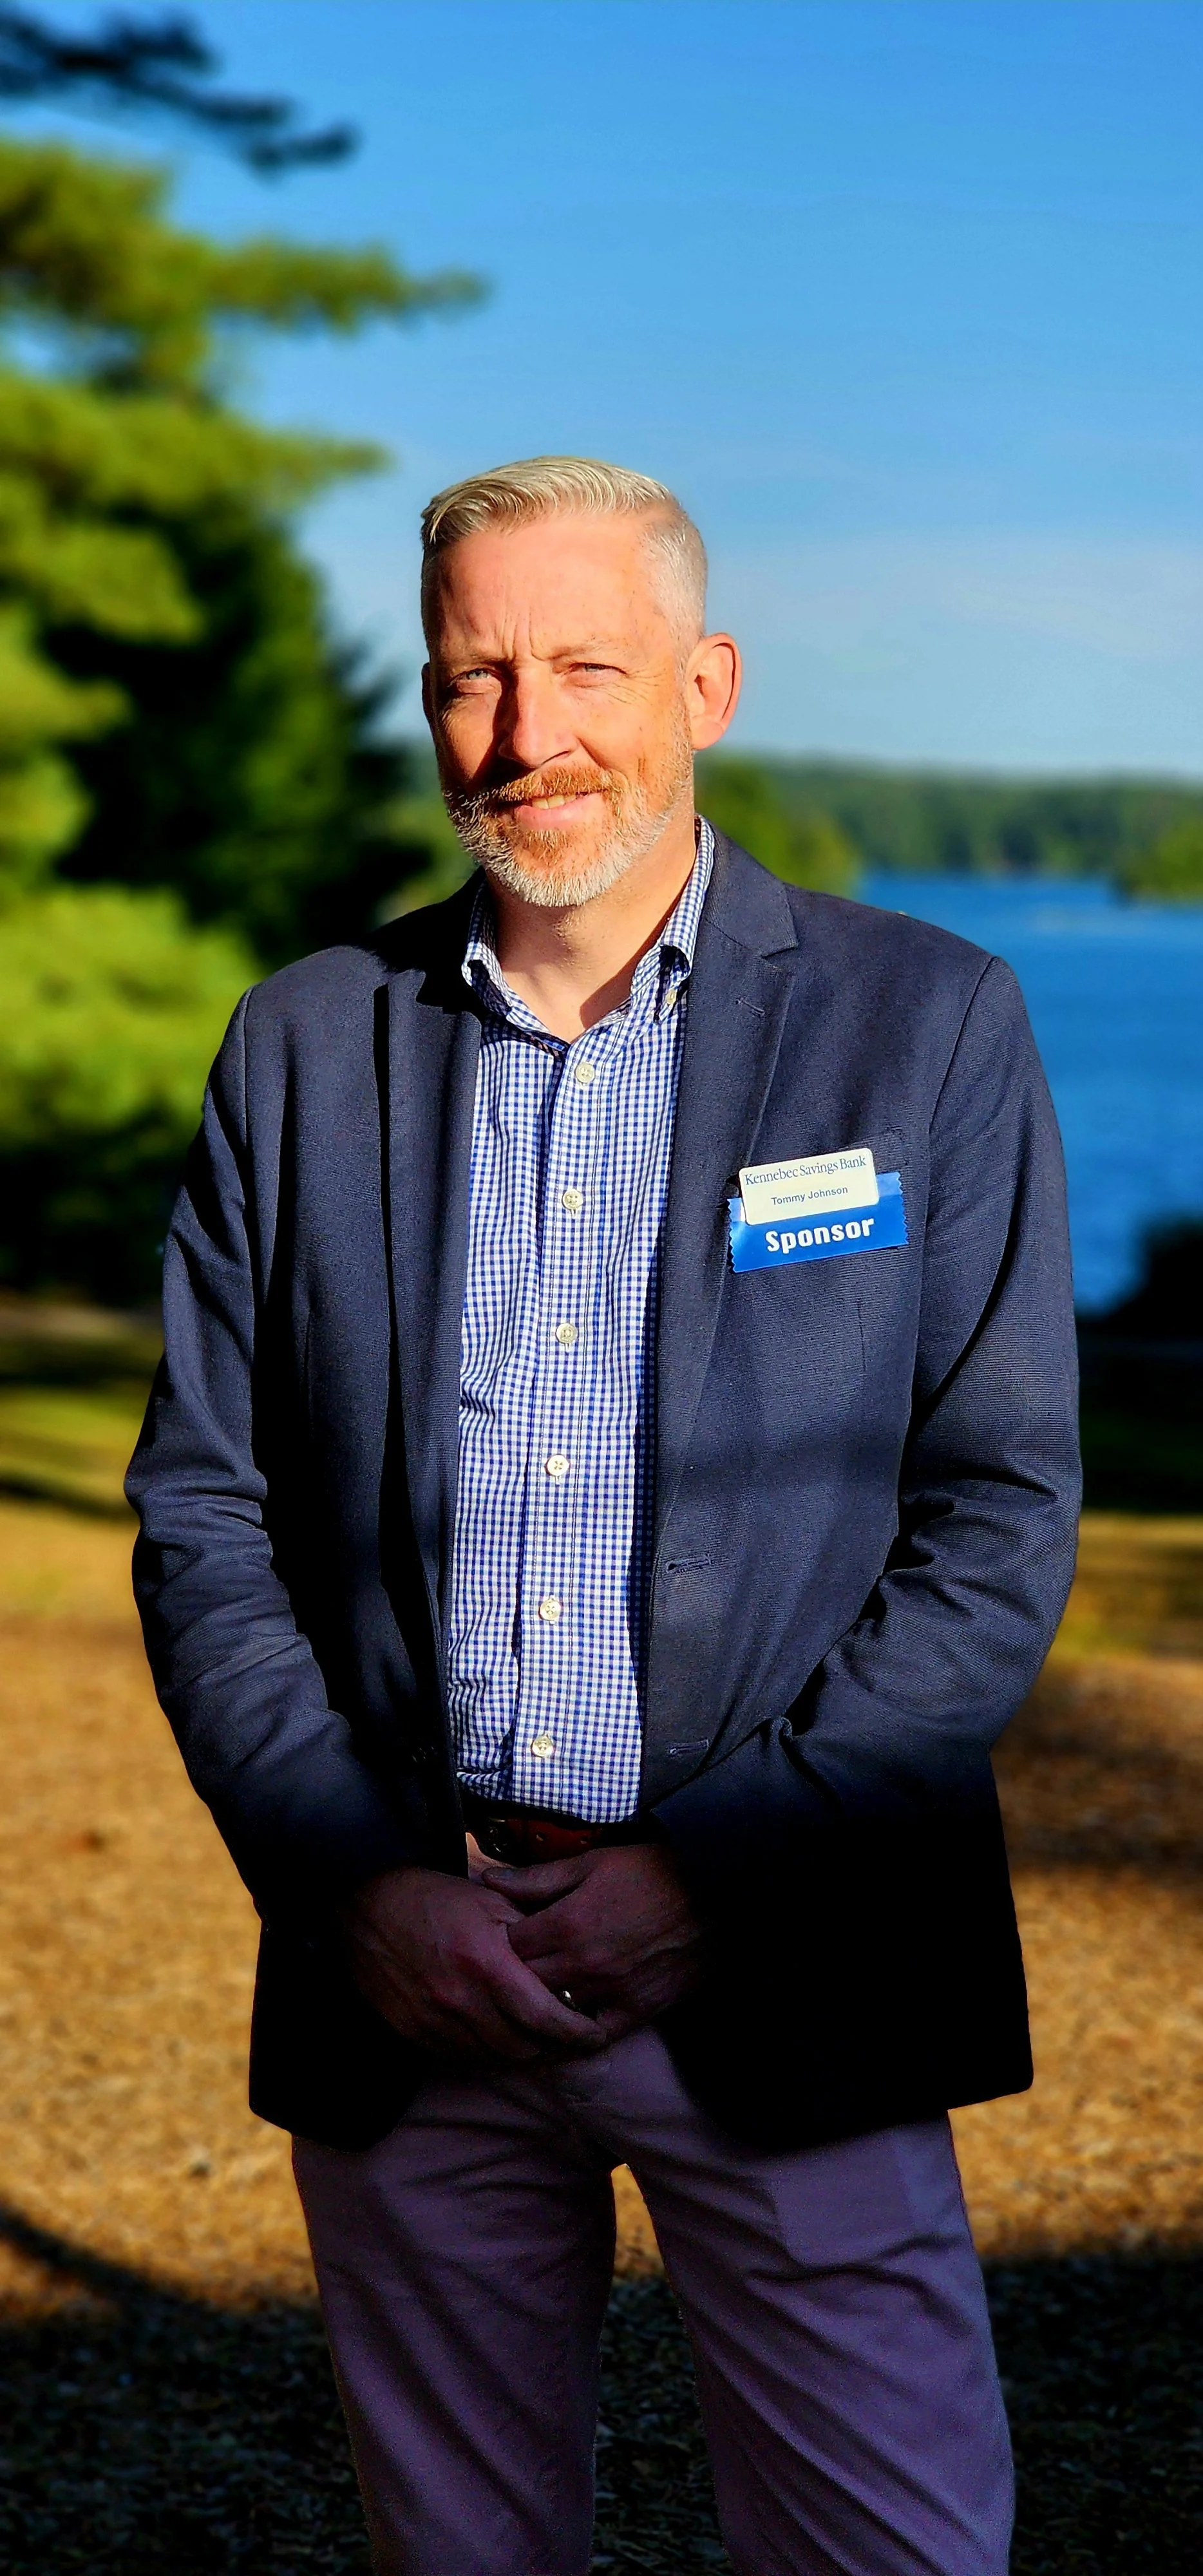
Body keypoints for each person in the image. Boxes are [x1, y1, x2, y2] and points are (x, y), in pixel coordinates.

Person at [127, 455, 1081, 2576]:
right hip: (411, 1974)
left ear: (705, 682)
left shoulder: (921, 1026)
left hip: (789, 1968)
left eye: (583, 665)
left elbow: (994, 1518)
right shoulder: (302, 1045)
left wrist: (715, 1873)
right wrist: (359, 1887)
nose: (527, 732)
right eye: (475, 672)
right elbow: (206, 1516)